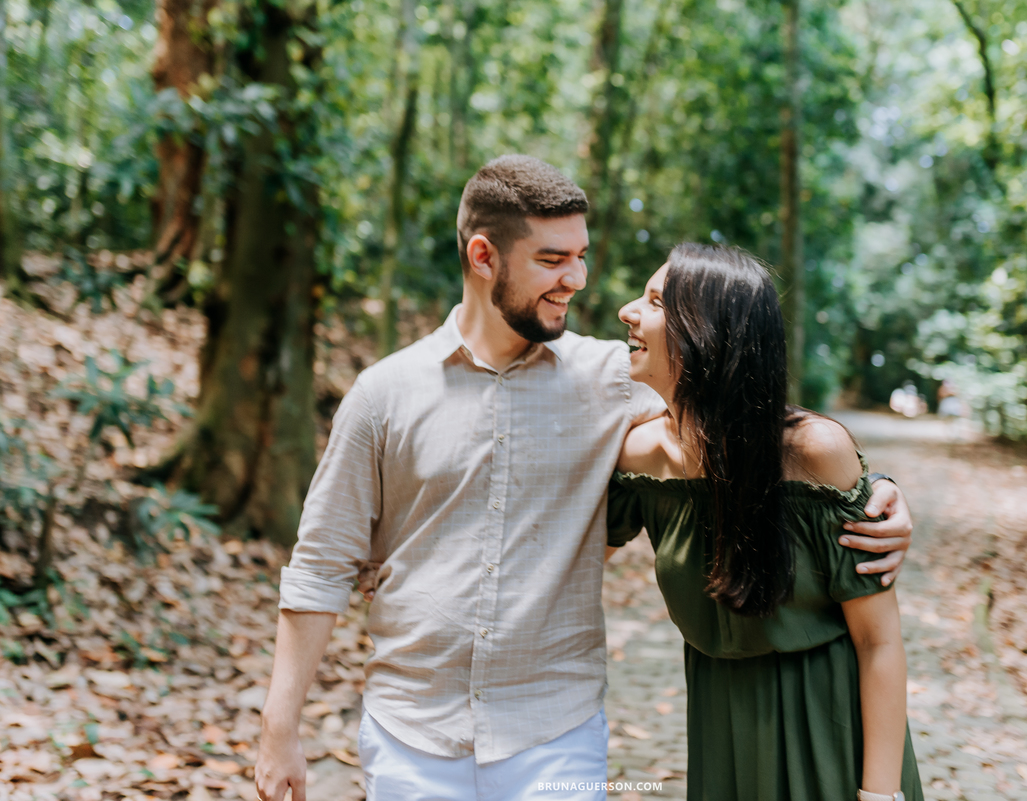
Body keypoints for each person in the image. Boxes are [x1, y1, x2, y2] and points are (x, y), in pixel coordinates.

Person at [255, 156, 916, 801]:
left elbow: (744, 423)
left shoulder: (612, 381)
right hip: (411, 729)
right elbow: (320, 564)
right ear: (484, 257)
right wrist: (279, 727)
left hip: (554, 730)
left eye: (581, 255)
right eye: (553, 259)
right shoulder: (384, 394)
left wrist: (875, 494)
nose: (577, 278)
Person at [609, 243, 923, 801]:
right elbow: (569, 554)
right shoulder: (638, 455)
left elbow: (879, 641)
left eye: (655, 302)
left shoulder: (813, 452)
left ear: (706, 333)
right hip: (720, 731)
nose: (626, 311)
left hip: (830, 732)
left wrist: (880, 795)